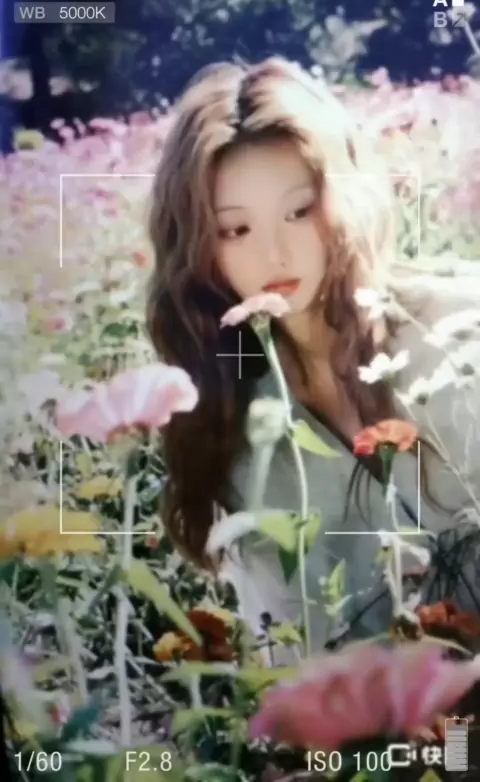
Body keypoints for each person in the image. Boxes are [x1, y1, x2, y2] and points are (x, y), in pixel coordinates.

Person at [146, 56, 480, 659]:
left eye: (299, 211)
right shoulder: (235, 425)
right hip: (383, 710)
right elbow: (291, 649)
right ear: (198, 248)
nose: (275, 253)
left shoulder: (457, 333)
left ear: (343, 198)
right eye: (235, 229)